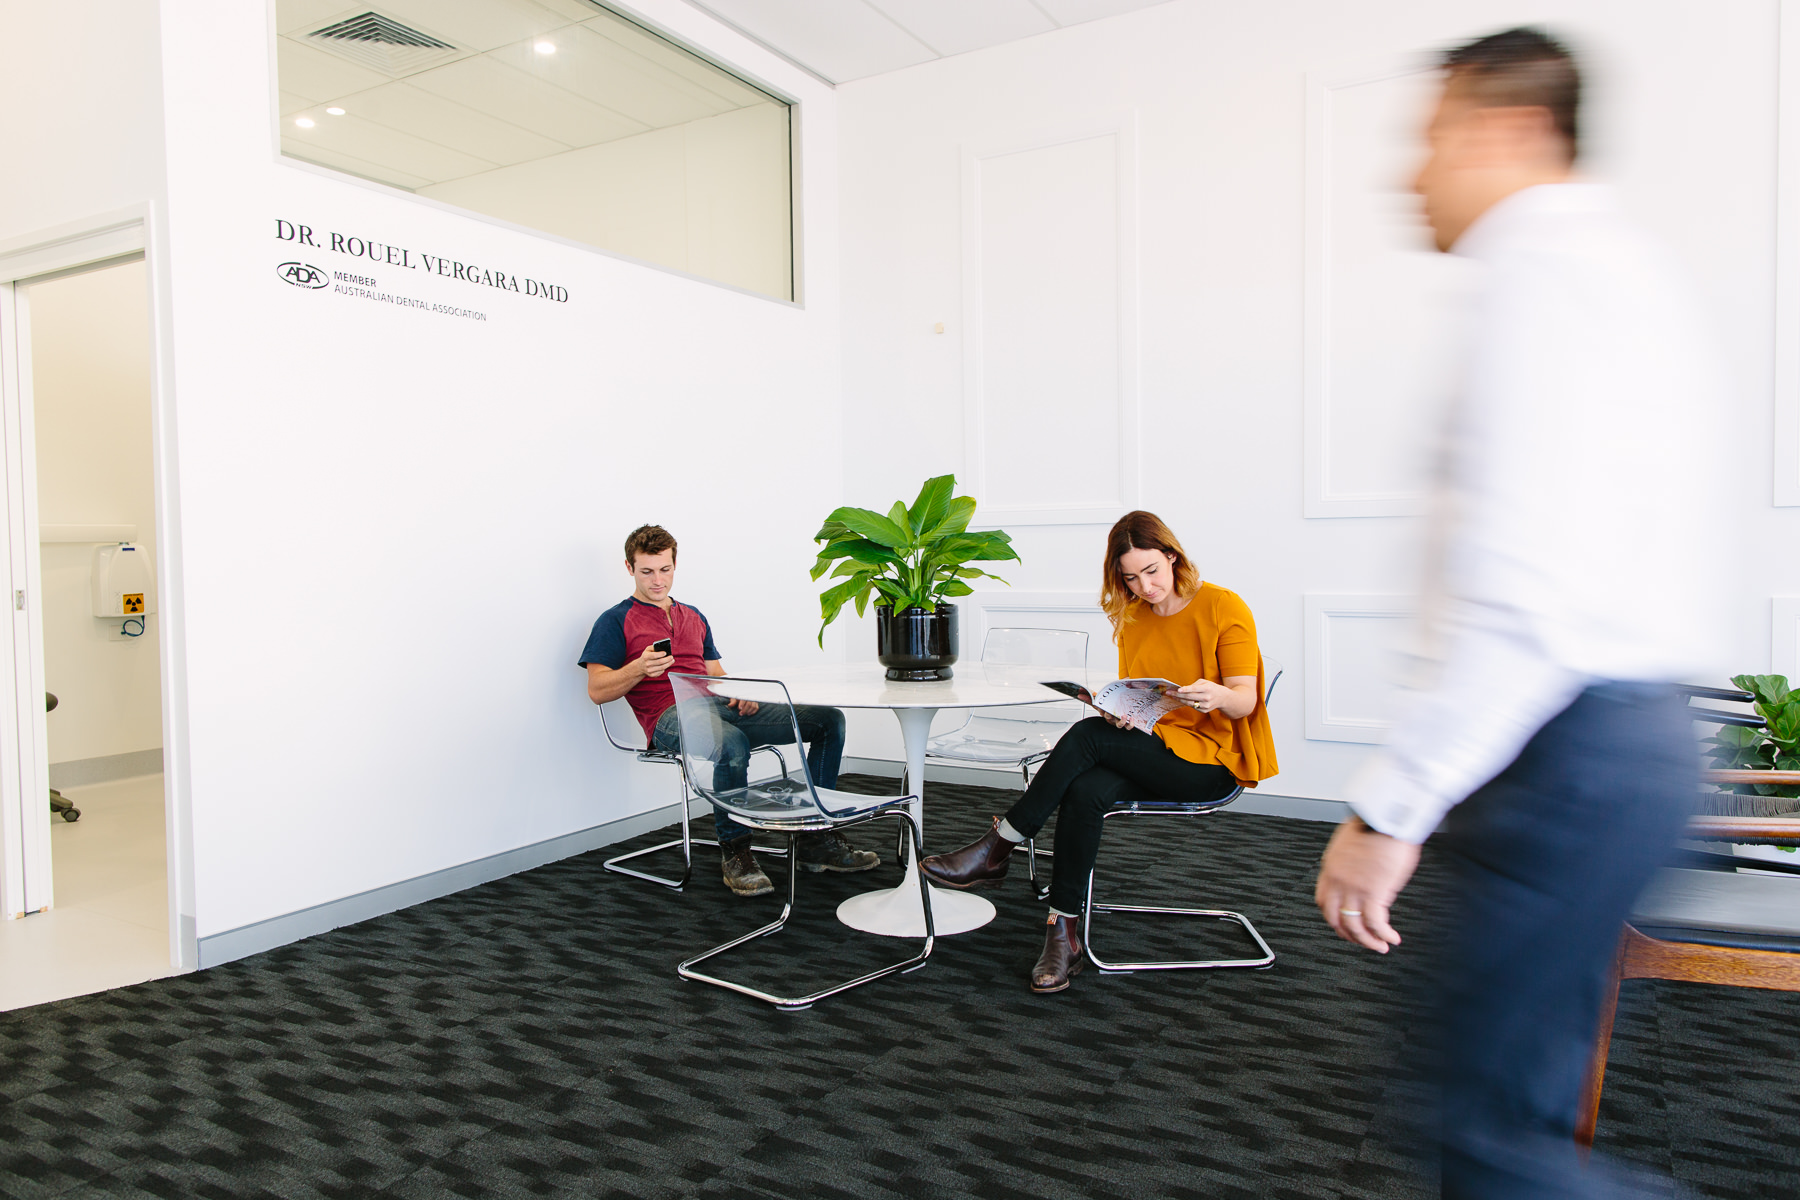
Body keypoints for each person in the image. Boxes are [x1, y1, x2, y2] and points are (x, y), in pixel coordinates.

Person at [1311, 29, 1727, 1199]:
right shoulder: (1614, 273)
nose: (1411, 173)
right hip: (1605, 746)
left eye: (1430, 138)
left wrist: (1390, 807)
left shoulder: (1548, 279)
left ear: (1510, 128)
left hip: (1571, 755)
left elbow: (1526, 595)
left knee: (1488, 1144)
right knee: (1516, 1113)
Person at [921, 511, 1278, 992]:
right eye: (1130, 577)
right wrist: (1119, 713)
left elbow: (1245, 700)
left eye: (1151, 571)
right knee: (1085, 787)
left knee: (1087, 739)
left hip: (1211, 761)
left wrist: (1216, 695)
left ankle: (998, 846)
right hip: (1157, 748)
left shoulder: (1222, 606)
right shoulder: (1132, 616)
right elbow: (1141, 696)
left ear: (1172, 557)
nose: (1144, 586)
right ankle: (1062, 932)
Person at [580, 524, 879, 896]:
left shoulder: (693, 615)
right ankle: (736, 853)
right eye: (647, 571)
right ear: (629, 568)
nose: (658, 580)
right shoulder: (615, 620)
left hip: (718, 706)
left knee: (827, 720)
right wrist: (638, 668)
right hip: (668, 717)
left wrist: (740, 693)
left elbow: (715, 674)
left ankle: (815, 838)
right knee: (731, 744)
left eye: (665, 569)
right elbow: (596, 690)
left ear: (675, 565)